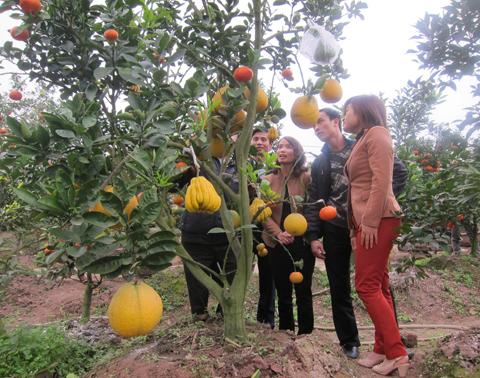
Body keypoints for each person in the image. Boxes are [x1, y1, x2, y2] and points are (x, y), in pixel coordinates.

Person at [305, 108, 408, 359]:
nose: (316, 127)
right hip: (335, 229)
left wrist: (376, 201)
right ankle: (349, 340)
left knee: (376, 283)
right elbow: (314, 201)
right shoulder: (319, 162)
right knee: (339, 285)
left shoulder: (362, 145)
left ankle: (389, 339)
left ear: (336, 122)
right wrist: (314, 236)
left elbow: (398, 172)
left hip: (366, 226)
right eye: (313, 125)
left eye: (320, 122)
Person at [343, 95, 409, 376]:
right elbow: (356, 189)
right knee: (378, 285)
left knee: (366, 286)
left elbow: (382, 181)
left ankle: (397, 353)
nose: (344, 116)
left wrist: (368, 223)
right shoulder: (364, 138)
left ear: (363, 111)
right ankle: (382, 347)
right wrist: (354, 229)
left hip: (379, 218)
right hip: (369, 220)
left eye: (347, 111)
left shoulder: (378, 134)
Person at [261, 136, 314, 335]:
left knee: (303, 290)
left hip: (301, 242)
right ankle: (285, 330)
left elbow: (312, 209)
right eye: (279, 147)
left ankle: (306, 333)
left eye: (288, 146)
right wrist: (278, 233)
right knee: (283, 290)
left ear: (297, 152)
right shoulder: (268, 180)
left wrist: (302, 232)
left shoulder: (305, 177)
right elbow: (263, 213)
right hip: (277, 243)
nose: (282, 150)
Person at [180, 157, 237, 321]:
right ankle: (200, 316)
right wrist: (189, 166)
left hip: (227, 233)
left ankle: (225, 313)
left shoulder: (240, 162)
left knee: (231, 276)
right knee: (196, 279)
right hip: (195, 231)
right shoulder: (197, 157)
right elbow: (173, 185)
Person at [250, 129, 276, 328]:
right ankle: (223, 311)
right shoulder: (240, 164)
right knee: (238, 269)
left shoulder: (274, 167)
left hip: (267, 226)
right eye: (256, 139)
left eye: (263, 139)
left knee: (268, 274)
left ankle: (265, 318)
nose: (259, 142)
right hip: (244, 225)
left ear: (270, 144)